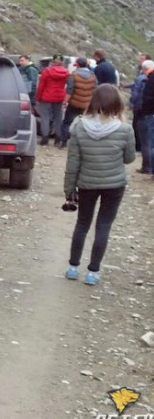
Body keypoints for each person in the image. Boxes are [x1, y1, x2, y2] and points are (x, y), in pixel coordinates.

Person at [64, 84, 136, 285]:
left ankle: (72, 267)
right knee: (103, 226)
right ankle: (93, 272)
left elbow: (73, 162)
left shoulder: (79, 126)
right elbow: (129, 158)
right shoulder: (125, 129)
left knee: (82, 224)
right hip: (114, 185)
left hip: (86, 183)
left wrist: (69, 189)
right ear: (117, 103)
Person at [59, 57, 97, 148]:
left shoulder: (73, 75)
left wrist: (64, 102)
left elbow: (69, 91)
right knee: (85, 124)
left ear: (78, 65)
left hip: (74, 104)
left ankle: (63, 142)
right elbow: (95, 90)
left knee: (67, 122)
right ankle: (82, 144)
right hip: (86, 105)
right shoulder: (93, 76)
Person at [35, 54, 69, 146]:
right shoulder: (66, 72)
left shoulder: (47, 71)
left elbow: (41, 86)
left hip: (46, 96)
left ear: (52, 61)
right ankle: (58, 139)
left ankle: (44, 139)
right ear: (62, 62)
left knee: (45, 117)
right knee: (58, 118)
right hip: (59, 97)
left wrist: (38, 97)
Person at [129, 54, 152, 155]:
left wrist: (132, 103)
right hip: (147, 107)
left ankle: (139, 147)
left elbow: (137, 92)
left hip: (142, 106)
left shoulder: (142, 76)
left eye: (142, 58)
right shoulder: (141, 73)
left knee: (139, 127)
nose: (139, 60)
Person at [138, 59, 154, 178]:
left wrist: (141, 110)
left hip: (147, 113)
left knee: (147, 142)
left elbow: (147, 97)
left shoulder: (150, 78)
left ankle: (148, 167)